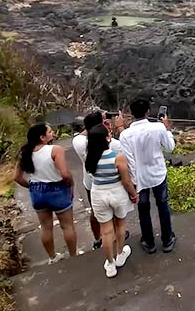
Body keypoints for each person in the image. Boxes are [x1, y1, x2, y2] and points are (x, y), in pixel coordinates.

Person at [14, 123, 78, 264]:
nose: (53, 132)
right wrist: (70, 184)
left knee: (45, 227)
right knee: (67, 225)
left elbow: (17, 177)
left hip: (37, 192)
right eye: (50, 131)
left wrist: (32, 187)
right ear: (42, 137)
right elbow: (64, 173)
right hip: (57, 190)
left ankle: (52, 257)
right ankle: (74, 256)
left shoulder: (25, 152)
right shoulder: (56, 150)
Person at [119, 98, 176, 254]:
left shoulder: (125, 135)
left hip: (139, 177)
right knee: (163, 205)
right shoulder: (158, 128)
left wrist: (134, 182)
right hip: (158, 173)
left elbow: (129, 160)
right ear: (148, 111)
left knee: (143, 210)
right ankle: (167, 240)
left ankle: (149, 242)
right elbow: (170, 148)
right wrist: (167, 129)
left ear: (131, 113)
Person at [85, 124, 137, 278]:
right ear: (107, 138)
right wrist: (134, 195)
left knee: (106, 231)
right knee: (120, 224)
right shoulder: (117, 156)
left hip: (98, 194)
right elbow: (126, 181)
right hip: (117, 192)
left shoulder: (89, 158)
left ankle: (110, 264)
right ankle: (120, 255)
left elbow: (90, 176)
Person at [71, 112, 127, 250]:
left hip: (93, 185)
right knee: (115, 214)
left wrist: (94, 123)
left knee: (96, 214)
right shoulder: (113, 144)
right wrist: (115, 128)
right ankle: (117, 237)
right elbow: (125, 146)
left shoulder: (78, 142)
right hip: (113, 183)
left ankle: (98, 239)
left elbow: (84, 134)